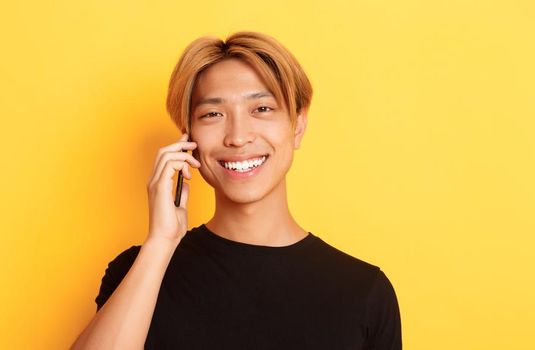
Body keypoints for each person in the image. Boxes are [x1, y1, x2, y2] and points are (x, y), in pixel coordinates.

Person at [71, 31, 402, 350]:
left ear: (297, 125)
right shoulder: (139, 271)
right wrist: (160, 244)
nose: (238, 136)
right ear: (188, 137)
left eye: (261, 109)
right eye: (213, 114)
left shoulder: (364, 292)